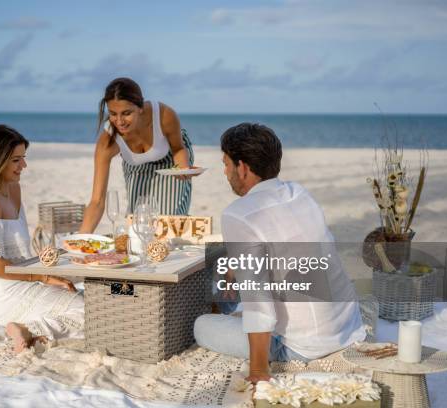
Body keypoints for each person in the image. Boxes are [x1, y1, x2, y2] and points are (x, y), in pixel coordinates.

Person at [194, 123, 366, 384]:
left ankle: (223, 313)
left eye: (226, 164)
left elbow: (258, 303)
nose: (226, 172)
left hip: (305, 347)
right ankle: (227, 306)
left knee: (201, 326)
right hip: (349, 326)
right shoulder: (299, 193)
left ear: (242, 168)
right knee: (228, 263)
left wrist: (259, 372)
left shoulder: (237, 214)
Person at [0, 125, 84, 353]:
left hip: (20, 282)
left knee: (97, 298)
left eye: (23, 158)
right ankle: (26, 329)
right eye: (16, 160)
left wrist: (48, 272)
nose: (24, 165)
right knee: (94, 311)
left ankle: (26, 327)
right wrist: (43, 277)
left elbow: (18, 254)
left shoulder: (13, 190)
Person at [80, 77, 196, 233]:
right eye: (113, 114)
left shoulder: (164, 116)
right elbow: (97, 201)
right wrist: (81, 239)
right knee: (138, 223)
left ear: (140, 107)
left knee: (168, 221)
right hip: (136, 164)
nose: (119, 122)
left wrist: (182, 168)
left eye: (126, 113)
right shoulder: (107, 142)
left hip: (169, 156)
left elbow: (178, 148)